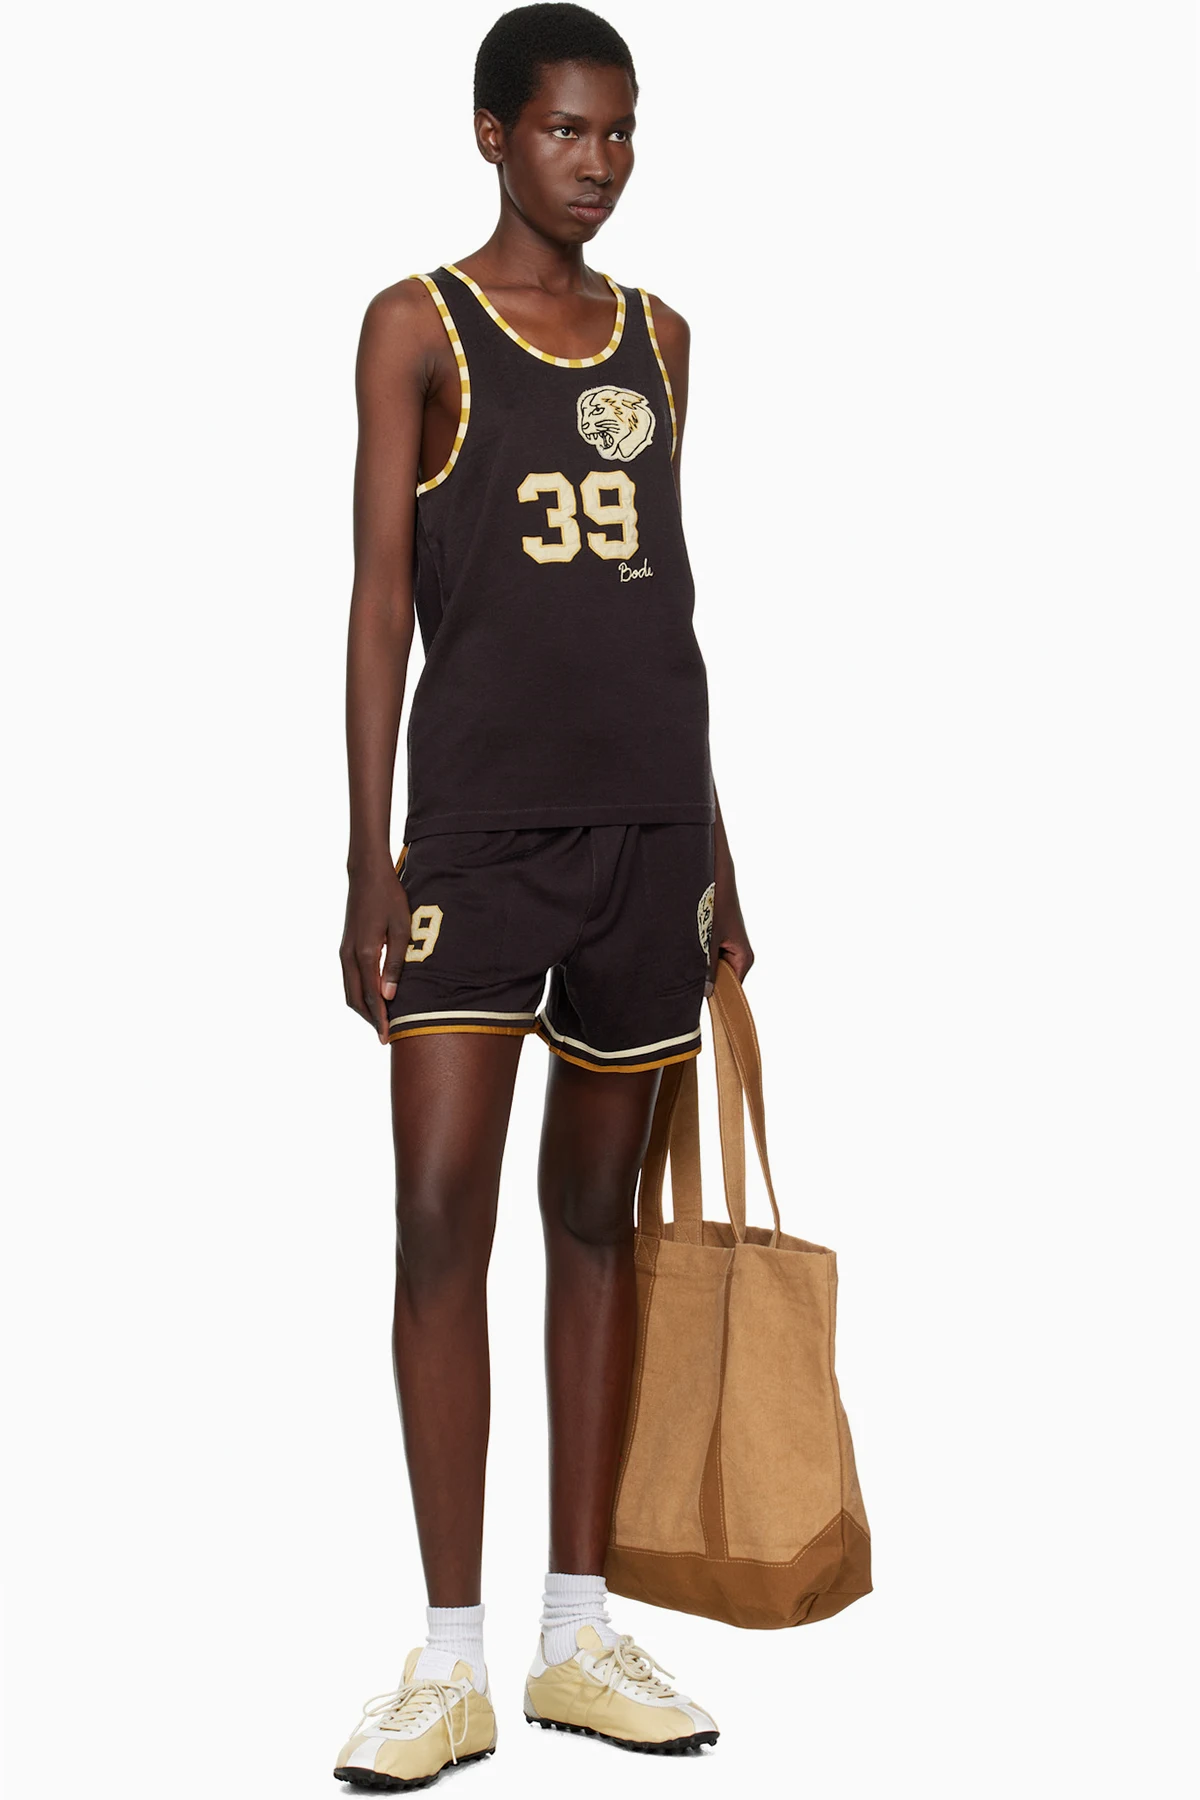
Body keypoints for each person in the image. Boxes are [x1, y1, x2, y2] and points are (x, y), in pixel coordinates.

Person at [335, 4, 753, 1786]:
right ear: (494, 133)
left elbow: (665, 599)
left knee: (593, 1221)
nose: (601, 161)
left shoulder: (663, 339)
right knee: (440, 1216)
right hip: (479, 840)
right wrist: (371, 853)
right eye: (569, 129)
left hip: (649, 832)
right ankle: (449, 1666)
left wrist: (717, 837)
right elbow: (380, 595)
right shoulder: (415, 324)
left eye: (623, 131)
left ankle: (576, 1638)